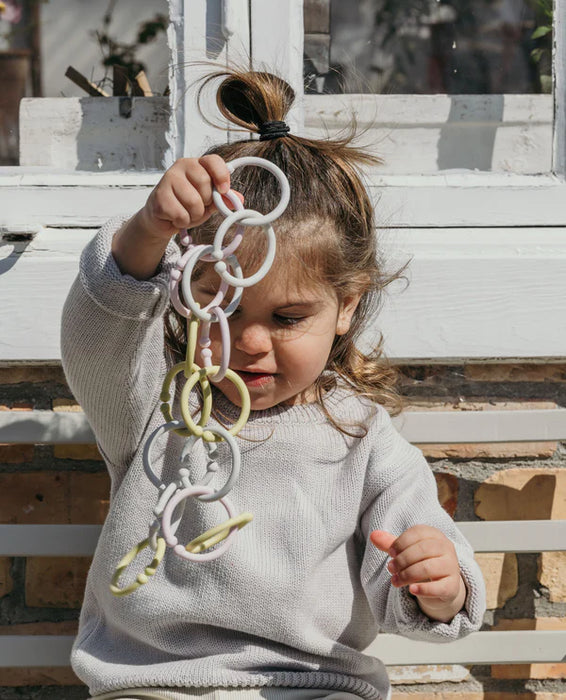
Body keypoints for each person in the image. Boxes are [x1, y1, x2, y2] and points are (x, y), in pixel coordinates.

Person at [61, 68, 486, 700]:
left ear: (346, 306)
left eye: (288, 318)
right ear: (188, 295)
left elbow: (414, 575)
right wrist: (148, 231)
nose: (251, 342)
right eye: (224, 308)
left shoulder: (363, 439)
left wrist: (440, 585)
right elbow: (98, 334)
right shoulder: (152, 404)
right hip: (156, 686)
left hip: (318, 686)